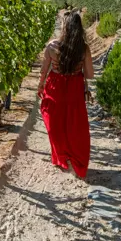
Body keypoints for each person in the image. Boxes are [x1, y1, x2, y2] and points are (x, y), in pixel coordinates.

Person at [38, 12, 95, 179]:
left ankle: (61, 156)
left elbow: (44, 70)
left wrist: (41, 85)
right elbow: (90, 74)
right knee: (75, 124)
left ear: (64, 27)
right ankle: (74, 159)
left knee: (54, 122)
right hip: (74, 88)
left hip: (55, 85)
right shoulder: (83, 49)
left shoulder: (52, 46)